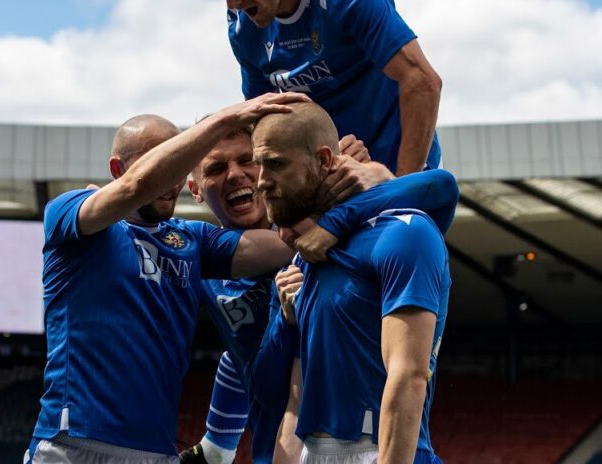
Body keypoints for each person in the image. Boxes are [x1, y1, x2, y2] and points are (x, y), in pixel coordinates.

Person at [25, 93, 307, 464]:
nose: (172, 174)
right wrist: (224, 119)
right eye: (164, 160)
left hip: (156, 454)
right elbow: (134, 188)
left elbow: (287, 243)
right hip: (71, 445)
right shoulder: (69, 213)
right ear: (117, 168)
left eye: (181, 162)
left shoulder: (194, 240)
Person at [179, 129, 458, 464]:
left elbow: (442, 186)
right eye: (216, 168)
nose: (238, 174)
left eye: (250, 161)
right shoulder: (206, 260)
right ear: (194, 189)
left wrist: (361, 192)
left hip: (372, 443)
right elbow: (249, 374)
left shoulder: (331, 244)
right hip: (282, 449)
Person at [254, 102, 452, 464]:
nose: (261, 180)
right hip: (315, 452)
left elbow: (408, 376)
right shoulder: (305, 261)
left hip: (381, 450)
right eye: (260, 164)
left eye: (276, 164)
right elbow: (289, 399)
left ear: (326, 159)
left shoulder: (403, 232)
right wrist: (284, 319)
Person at [194, 0, 443, 176]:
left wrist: (402, 187)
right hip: (328, 176)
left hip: (399, 166)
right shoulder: (243, 27)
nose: (232, 1)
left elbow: (422, 81)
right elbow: (262, 119)